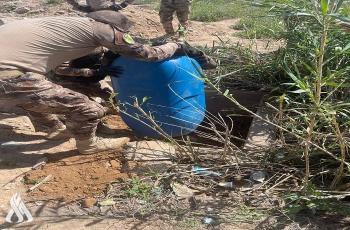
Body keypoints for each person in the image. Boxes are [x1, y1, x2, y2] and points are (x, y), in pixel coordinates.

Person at [0, 10, 214, 154]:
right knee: (88, 108)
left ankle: (54, 129)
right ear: (116, 28)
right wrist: (175, 46)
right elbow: (147, 54)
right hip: (8, 75)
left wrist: (95, 70)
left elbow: (56, 67)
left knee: (33, 92)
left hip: (12, 71)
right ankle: (88, 145)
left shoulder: (66, 26)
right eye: (124, 32)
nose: (124, 35)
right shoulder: (104, 30)